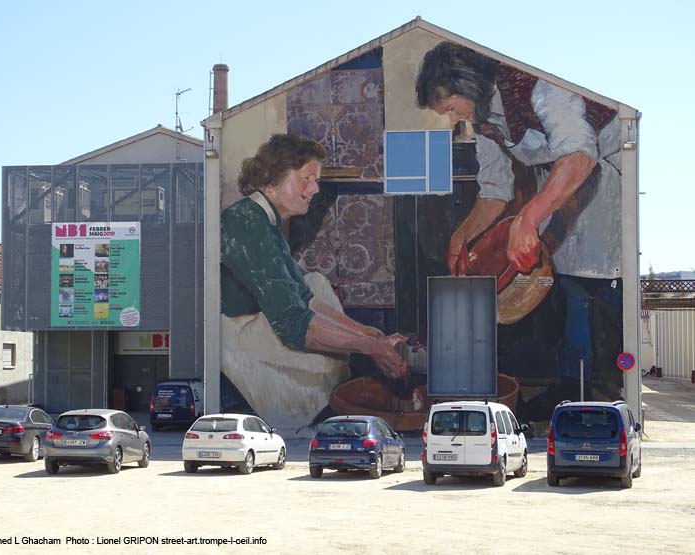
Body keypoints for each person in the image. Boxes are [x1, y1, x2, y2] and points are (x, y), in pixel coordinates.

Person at [415, 42, 623, 411]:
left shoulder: (540, 84)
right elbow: (495, 191)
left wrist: (529, 217)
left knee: (598, 286)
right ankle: (570, 386)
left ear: (468, 83)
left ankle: (606, 391)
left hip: (605, 176)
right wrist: (461, 236)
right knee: (568, 288)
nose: (452, 119)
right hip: (561, 187)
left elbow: (578, 154)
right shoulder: (482, 120)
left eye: (449, 108)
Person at [221, 134, 407, 427]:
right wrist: (370, 347)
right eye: (306, 178)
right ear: (272, 181)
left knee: (316, 283)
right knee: (327, 371)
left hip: (263, 320)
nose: (315, 188)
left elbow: (304, 297)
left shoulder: (264, 219)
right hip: (239, 336)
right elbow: (292, 322)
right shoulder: (247, 223)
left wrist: (370, 335)